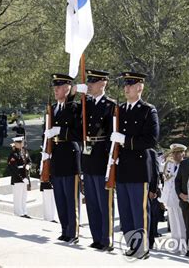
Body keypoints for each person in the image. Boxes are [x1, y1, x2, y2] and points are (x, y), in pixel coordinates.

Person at [109, 71, 160, 259]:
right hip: (122, 167)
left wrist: (125, 140)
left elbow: (151, 140)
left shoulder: (148, 110)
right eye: (125, 84)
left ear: (140, 87)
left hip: (139, 168)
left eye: (130, 84)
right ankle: (131, 244)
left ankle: (143, 247)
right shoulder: (119, 110)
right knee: (125, 211)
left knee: (139, 211)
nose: (126, 87)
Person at [74, 69, 115, 251]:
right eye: (88, 81)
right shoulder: (86, 104)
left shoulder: (110, 105)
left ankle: (107, 239)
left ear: (103, 83)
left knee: (103, 202)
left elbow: (111, 135)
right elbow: (70, 112)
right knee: (91, 201)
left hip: (102, 157)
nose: (89, 84)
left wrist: (110, 161)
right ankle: (96, 237)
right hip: (88, 156)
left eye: (93, 81)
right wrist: (75, 92)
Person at [42, 73, 81, 244]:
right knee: (59, 197)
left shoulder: (74, 108)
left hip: (70, 157)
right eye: (55, 87)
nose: (56, 90)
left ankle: (73, 231)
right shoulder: (53, 108)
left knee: (71, 198)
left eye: (59, 87)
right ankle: (64, 229)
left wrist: (60, 131)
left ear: (67, 89)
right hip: (56, 157)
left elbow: (78, 133)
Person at [161, 143, 187, 254]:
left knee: (181, 223)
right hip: (169, 198)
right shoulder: (169, 165)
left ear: (183, 153)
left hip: (180, 199)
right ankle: (176, 246)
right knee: (173, 223)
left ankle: (184, 247)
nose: (176, 155)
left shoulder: (185, 166)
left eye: (178, 153)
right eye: (174, 153)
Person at [7, 136, 32, 218]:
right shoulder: (13, 154)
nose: (21, 144)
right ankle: (18, 212)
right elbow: (13, 169)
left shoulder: (25, 151)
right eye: (19, 143)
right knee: (18, 196)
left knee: (24, 196)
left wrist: (28, 165)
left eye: (22, 142)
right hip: (17, 178)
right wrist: (22, 178)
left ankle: (24, 211)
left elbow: (29, 160)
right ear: (15, 144)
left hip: (25, 176)